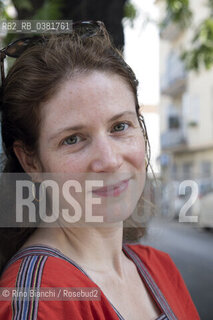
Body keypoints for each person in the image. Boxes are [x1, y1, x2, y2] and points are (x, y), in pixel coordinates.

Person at [0, 21, 199, 320]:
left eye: (120, 126)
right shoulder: (38, 300)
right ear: (32, 162)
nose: (108, 160)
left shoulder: (159, 267)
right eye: (73, 139)